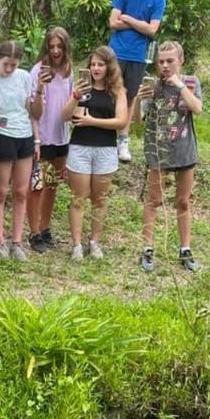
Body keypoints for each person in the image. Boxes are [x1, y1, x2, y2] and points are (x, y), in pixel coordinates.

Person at [133, 40, 203, 272]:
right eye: (161, 62)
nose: (165, 66)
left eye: (170, 61)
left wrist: (180, 85)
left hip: (184, 149)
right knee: (153, 200)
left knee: (183, 201)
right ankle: (148, 249)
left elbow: (198, 109)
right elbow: (137, 119)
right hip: (158, 150)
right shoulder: (152, 85)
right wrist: (136, 97)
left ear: (180, 61)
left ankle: (185, 250)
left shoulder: (191, 82)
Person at [62, 46, 128, 260]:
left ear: (109, 66)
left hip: (106, 149)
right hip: (80, 147)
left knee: (99, 199)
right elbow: (65, 116)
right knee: (78, 198)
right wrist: (75, 97)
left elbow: (121, 121)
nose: (96, 68)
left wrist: (93, 121)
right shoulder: (81, 88)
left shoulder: (117, 91)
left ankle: (95, 242)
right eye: (93, 64)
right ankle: (77, 245)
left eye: (100, 64)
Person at [108, 0, 166, 163]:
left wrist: (130, 19)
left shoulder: (159, 0)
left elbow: (152, 29)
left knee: (130, 97)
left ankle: (123, 140)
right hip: (116, 52)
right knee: (110, 93)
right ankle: (106, 137)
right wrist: (141, 25)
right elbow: (113, 22)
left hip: (139, 56)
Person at [0, 40, 36, 263]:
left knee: (21, 191)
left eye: (13, 65)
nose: (8, 69)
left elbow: (31, 110)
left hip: (24, 136)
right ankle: (0, 240)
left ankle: (17, 241)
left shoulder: (25, 78)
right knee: (0, 192)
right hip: (2, 136)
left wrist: (37, 139)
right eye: (6, 64)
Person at [28, 27, 74, 252]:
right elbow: (34, 112)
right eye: (51, 46)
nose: (55, 51)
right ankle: (34, 232)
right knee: (38, 185)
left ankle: (45, 227)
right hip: (42, 138)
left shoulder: (68, 71)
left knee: (53, 185)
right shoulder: (37, 71)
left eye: (59, 46)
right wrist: (40, 86)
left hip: (62, 138)